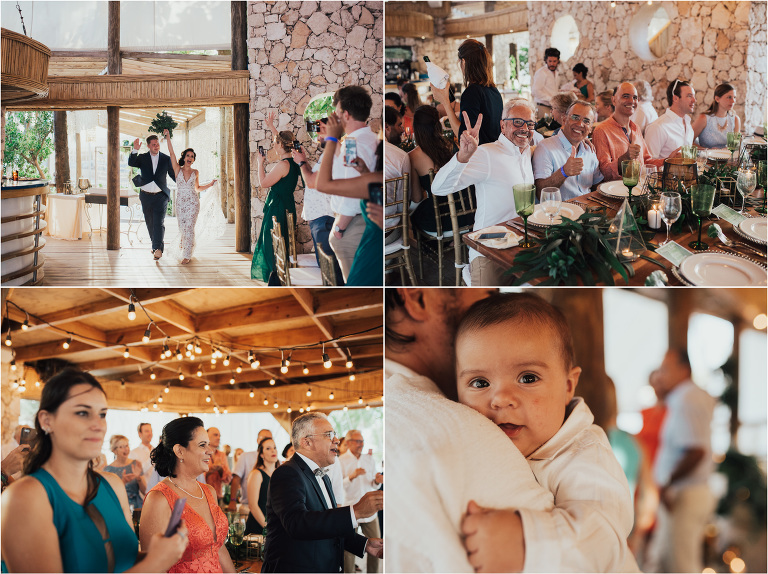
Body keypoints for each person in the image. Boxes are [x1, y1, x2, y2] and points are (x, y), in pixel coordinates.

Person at [454, 293, 637, 572]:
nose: (501, 399)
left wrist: (526, 542)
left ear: (568, 386)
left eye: (527, 378)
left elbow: (603, 535)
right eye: (480, 383)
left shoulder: (584, 453)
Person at [385, 289, 556, 572]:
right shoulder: (466, 434)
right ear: (417, 298)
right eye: (489, 293)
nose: (501, 399)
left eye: (528, 378)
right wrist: (539, 543)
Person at [0, 368, 187, 573]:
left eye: (102, 414)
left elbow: (124, 561)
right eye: (82, 413)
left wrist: (161, 552)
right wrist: (156, 562)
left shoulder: (112, 485)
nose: (98, 425)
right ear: (47, 421)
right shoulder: (25, 496)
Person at [261, 412, 383, 573]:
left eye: (335, 434)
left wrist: (364, 544)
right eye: (329, 435)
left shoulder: (323, 476)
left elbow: (326, 526)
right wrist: (355, 511)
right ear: (307, 442)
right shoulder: (287, 473)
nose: (336, 440)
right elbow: (297, 524)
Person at [431, 101, 535, 286]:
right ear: (503, 125)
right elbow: (438, 188)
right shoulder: (487, 154)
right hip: (490, 249)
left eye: (530, 124)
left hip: (522, 245)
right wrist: (463, 156)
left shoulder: (525, 151)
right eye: (518, 122)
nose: (525, 128)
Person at [649, 349, 715, 574]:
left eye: (665, 369)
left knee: (682, 566)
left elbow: (696, 451)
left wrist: (668, 482)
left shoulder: (687, 398)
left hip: (684, 493)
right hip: (683, 492)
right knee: (667, 561)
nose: (661, 375)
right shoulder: (683, 397)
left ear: (684, 370)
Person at [141, 416, 234, 573]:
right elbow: (151, 567)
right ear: (180, 451)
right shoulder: (159, 498)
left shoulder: (209, 491)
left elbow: (218, 547)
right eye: (202, 445)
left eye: (208, 444)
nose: (210, 451)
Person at [315, 115, 383, 286]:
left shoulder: (361, 145)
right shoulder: (373, 177)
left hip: (369, 240)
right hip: (371, 238)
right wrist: (364, 171)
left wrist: (331, 139)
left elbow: (321, 185)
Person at [325, 86, 379, 282]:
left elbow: (354, 192)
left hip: (353, 224)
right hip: (361, 220)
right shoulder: (369, 138)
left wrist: (339, 228)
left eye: (337, 112)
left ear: (345, 114)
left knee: (356, 285)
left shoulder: (354, 144)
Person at [289, 116, 344, 280]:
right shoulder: (330, 153)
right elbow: (315, 177)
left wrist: (301, 163)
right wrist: (304, 161)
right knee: (325, 265)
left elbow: (312, 182)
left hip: (325, 218)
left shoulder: (334, 154)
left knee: (329, 269)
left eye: (321, 131)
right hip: (321, 217)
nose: (318, 137)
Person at [409, 105, 475, 234]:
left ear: (416, 128)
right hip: (467, 214)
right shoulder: (454, 145)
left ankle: (436, 244)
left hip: (440, 222)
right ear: (438, 125)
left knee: (413, 217)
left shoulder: (413, 156)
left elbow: (416, 198)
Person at [250, 128, 301, 284]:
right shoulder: (295, 162)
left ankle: (275, 278)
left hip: (277, 208)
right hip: (287, 205)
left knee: (272, 243)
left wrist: (260, 163)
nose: (273, 145)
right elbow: (283, 138)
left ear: (281, 145)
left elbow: (264, 183)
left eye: (275, 143)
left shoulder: (283, 165)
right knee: (282, 241)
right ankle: (280, 276)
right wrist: (272, 127)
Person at [431, 39, 503, 145]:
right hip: (494, 150)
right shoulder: (494, 90)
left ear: (464, 62)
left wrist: (445, 102)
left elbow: (464, 138)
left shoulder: (472, 92)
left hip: (479, 153)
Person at [162, 130, 218, 264]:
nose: (190, 158)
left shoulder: (195, 172)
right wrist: (168, 137)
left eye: (192, 156)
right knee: (182, 228)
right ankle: (186, 246)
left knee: (189, 228)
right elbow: (172, 154)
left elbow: (197, 188)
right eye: (188, 155)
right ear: (184, 157)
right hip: (180, 204)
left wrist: (210, 184)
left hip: (193, 203)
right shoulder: (177, 169)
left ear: (193, 160)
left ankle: (187, 255)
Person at [592, 82, 665, 181]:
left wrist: (669, 161)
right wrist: (625, 158)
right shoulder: (601, 130)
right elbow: (603, 174)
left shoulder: (636, 128)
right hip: (616, 189)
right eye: (625, 96)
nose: (631, 101)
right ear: (613, 100)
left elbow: (646, 162)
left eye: (635, 97)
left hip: (639, 188)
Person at [533, 100, 603, 200]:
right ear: (564, 119)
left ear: (591, 128)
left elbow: (597, 184)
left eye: (586, 121)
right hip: (561, 209)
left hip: (588, 206)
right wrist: (563, 172)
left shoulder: (589, 150)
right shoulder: (545, 147)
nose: (580, 124)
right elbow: (540, 193)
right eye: (575, 117)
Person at [339, 430, 383, 574]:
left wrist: (377, 481)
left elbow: (373, 485)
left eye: (362, 441)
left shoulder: (369, 459)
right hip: (350, 509)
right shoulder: (340, 460)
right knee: (349, 549)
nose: (361, 444)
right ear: (348, 442)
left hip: (371, 510)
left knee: (378, 545)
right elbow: (338, 487)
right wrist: (351, 476)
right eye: (358, 441)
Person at [128, 134, 177, 260]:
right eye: (153, 144)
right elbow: (131, 162)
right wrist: (135, 149)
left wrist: (184, 183)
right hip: (145, 196)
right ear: (148, 145)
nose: (156, 146)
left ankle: (157, 249)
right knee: (150, 222)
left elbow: (173, 175)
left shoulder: (166, 159)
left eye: (157, 144)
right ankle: (155, 246)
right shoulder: (142, 157)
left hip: (161, 196)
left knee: (159, 222)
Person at [644, 79, 696, 159]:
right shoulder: (658, 127)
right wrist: (669, 161)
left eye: (694, 96)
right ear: (675, 98)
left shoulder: (688, 124)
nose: (694, 100)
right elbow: (648, 163)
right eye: (689, 96)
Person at [227, 428, 272, 513]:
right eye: (264, 438)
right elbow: (236, 478)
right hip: (247, 506)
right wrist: (232, 500)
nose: (267, 441)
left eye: (270, 438)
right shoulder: (246, 456)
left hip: (269, 507)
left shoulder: (275, 460)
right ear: (258, 440)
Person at [244, 436, 279, 535]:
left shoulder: (279, 474)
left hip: (275, 526)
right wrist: (268, 527)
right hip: (258, 527)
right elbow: (253, 506)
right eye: (268, 448)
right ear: (261, 455)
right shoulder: (256, 474)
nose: (273, 450)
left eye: (274, 447)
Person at [692, 82, 741, 148]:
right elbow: (688, 141)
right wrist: (708, 151)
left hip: (727, 155)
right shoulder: (703, 118)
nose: (733, 101)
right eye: (729, 97)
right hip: (706, 154)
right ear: (717, 99)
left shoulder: (735, 120)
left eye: (734, 97)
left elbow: (735, 146)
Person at [104, 434, 146, 510]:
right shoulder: (107, 470)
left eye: (126, 446)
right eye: (121, 447)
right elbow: (108, 496)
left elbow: (145, 491)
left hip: (137, 507)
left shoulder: (136, 464)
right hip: (118, 507)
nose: (126, 449)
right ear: (114, 450)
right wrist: (123, 482)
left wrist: (138, 478)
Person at [204, 427, 231, 504]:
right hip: (203, 496)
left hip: (217, 497)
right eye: (215, 435)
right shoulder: (201, 453)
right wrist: (210, 470)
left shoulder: (222, 455)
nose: (218, 438)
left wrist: (220, 470)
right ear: (206, 436)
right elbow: (196, 478)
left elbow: (228, 479)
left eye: (219, 436)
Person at [532, 47, 561, 120]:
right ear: (546, 60)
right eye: (550, 61)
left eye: (554, 61)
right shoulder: (541, 73)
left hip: (553, 107)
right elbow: (535, 91)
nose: (552, 64)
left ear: (558, 61)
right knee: (545, 127)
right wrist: (552, 99)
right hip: (543, 107)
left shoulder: (557, 72)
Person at [130, 422, 154, 495]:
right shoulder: (133, 453)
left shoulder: (156, 450)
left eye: (151, 431)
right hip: (144, 493)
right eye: (147, 431)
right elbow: (138, 473)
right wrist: (153, 458)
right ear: (139, 434)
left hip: (160, 491)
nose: (150, 434)